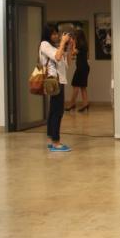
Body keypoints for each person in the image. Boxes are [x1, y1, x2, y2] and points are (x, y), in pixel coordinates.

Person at [40, 23, 73, 152]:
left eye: (56, 33)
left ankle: (52, 140)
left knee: (54, 110)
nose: (56, 36)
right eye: (53, 34)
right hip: (54, 81)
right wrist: (63, 43)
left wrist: (69, 47)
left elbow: (67, 64)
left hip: (60, 81)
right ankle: (56, 142)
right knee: (57, 112)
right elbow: (57, 57)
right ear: (47, 34)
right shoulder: (44, 44)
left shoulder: (54, 46)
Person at [66, 30, 91, 112]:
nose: (74, 38)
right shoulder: (84, 44)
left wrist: (72, 44)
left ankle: (72, 104)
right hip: (84, 67)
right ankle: (85, 104)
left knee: (75, 86)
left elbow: (73, 53)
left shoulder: (80, 45)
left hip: (81, 68)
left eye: (75, 36)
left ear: (78, 37)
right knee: (83, 87)